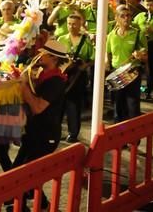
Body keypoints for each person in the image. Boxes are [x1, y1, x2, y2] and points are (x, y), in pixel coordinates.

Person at [8, 39, 69, 210]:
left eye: (43, 53)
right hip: (34, 132)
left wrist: (23, 85)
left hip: (45, 135)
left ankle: (26, 206)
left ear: (54, 58)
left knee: (25, 174)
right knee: (19, 172)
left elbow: (38, 107)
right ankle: (41, 204)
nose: (39, 55)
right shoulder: (43, 75)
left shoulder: (55, 81)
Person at [106, 5, 147, 123]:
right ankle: (120, 138)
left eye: (128, 15)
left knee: (133, 107)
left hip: (132, 73)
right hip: (116, 72)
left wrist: (140, 56)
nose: (126, 18)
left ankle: (134, 138)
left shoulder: (138, 34)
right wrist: (107, 64)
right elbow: (107, 53)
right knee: (118, 107)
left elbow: (145, 57)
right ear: (116, 18)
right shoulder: (111, 36)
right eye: (122, 16)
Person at [58, 13, 94, 142]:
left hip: (78, 75)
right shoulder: (61, 39)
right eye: (69, 24)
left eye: (74, 24)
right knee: (60, 104)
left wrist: (85, 65)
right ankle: (57, 131)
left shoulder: (86, 40)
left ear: (80, 25)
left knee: (74, 105)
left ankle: (73, 133)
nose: (71, 26)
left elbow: (93, 58)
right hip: (63, 74)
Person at [133, 0, 153, 100]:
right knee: (138, 67)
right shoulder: (140, 15)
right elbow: (133, 25)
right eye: (147, 4)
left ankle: (148, 91)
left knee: (151, 69)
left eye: (151, 4)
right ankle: (137, 89)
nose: (149, 7)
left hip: (152, 44)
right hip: (140, 45)